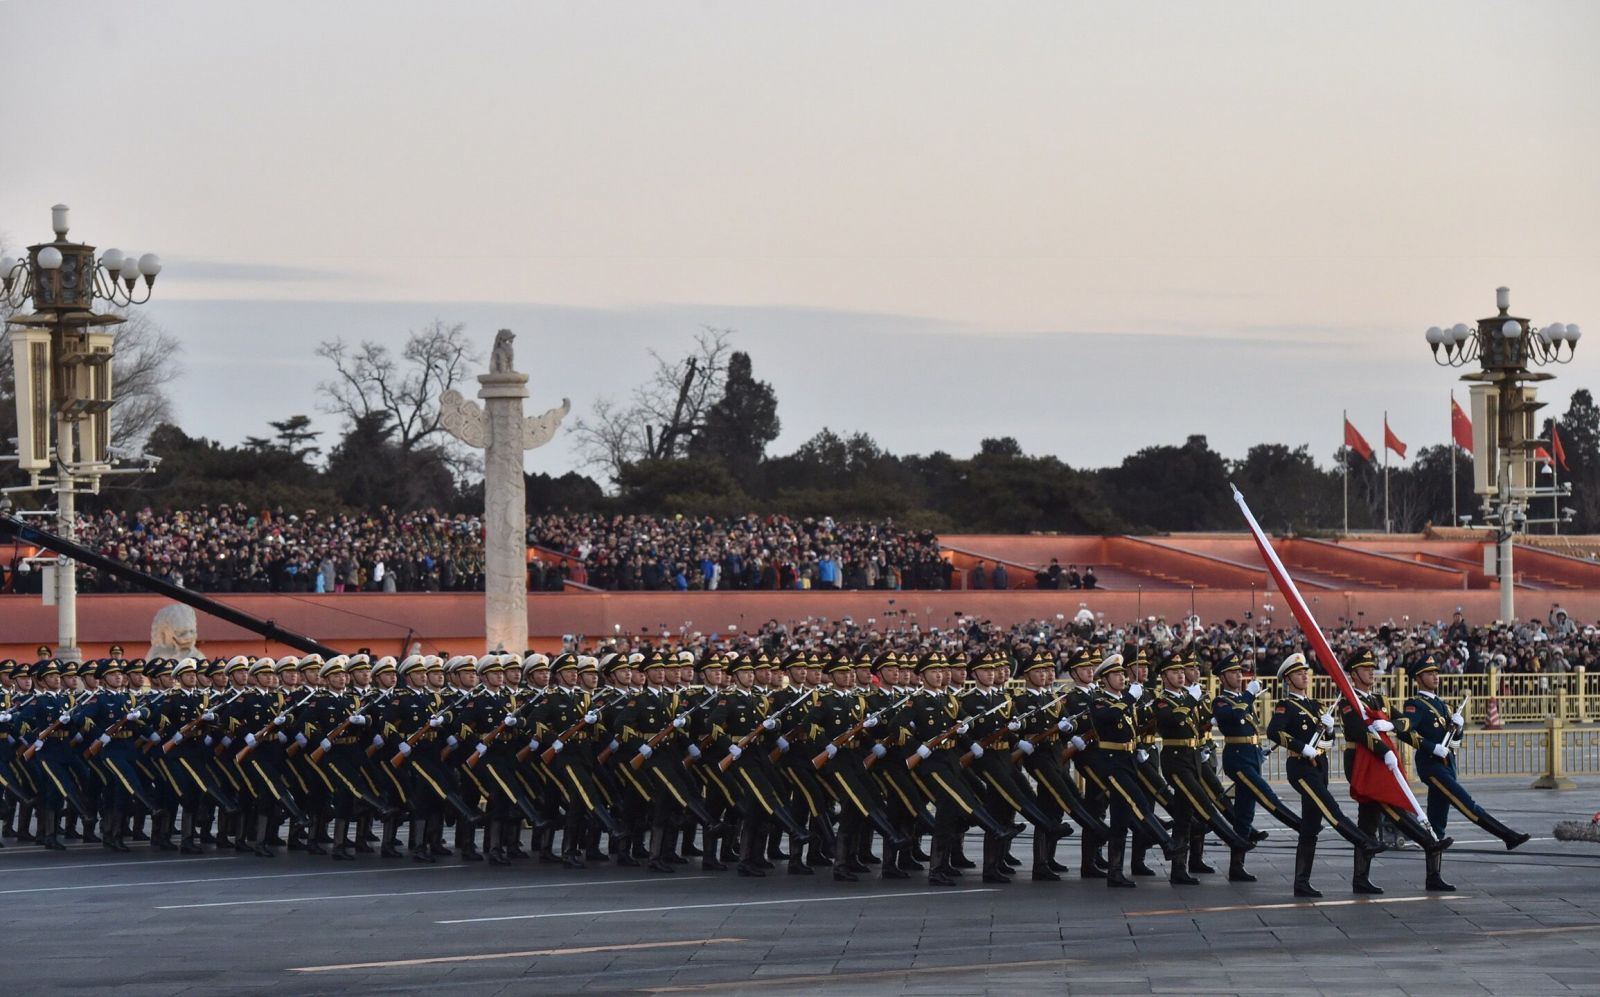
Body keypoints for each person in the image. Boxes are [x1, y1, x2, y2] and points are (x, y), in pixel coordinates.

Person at [1401, 653, 1528, 891]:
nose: (1435, 676)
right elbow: (1406, 732)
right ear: (1419, 678)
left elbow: (1454, 743)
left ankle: (1433, 877)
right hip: (1431, 766)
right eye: (1430, 673)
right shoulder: (1415, 705)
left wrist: (1458, 729)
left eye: (1437, 672)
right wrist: (1431, 746)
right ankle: (1507, 836)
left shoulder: (1443, 705)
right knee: (1467, 804)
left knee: (1437, 824)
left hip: (1448, 765)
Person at [1267, 653, 1385, 897]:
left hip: (1319, 766)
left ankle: (1301, 882)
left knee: (1311, 825)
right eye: (1299, 673)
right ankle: (1364, 841)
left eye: (1306, 672)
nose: (1304, 676)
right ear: (1288, 679)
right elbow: (1273, 732)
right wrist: (1301, 747)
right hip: (1300, 767)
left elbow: (1328, 744)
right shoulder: (1285, 706)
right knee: (1330, 807)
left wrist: (1329, 731)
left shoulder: (1316, 705)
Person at [1340, 648, 1452, 894]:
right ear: (1353, 673)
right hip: (1362, 760)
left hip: (1381, 759)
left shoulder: (1380, 699)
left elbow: (1404, 723)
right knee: (1390, 805)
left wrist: (1391, 724)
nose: (1371, 672)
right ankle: (1428, 843)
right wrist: (1384, 751)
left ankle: (1361, 878)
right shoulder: (1348, 700)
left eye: (1372, 668)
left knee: (1368, 820)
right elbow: (1358, 731)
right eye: (1366, 668)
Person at [1211, 653, 1302, 882]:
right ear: (1222, 677)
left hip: (1251, 755)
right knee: (1266, 794)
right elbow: (1236, 715)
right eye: (1233, 672)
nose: (1238, 675)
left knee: (1244, 812)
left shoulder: (1243, 699)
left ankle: (1237, 866)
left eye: (1239, 671)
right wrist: (1249, 694)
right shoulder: (1221, 701)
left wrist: (1258, 750)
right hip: (1236, 758)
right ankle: (1298, 825)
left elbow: (1249, 727)